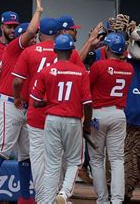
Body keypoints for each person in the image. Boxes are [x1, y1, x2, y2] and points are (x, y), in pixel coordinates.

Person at [0, 0, 43, 204]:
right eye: (28, 37)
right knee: (4, 148)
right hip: (8, 104)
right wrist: (39, 12)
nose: (32, 40)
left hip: (24, 106)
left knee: (26, 154)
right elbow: (31, 31)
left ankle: (25, 197)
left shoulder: (35, 54)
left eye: (33, 38)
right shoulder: (14, 48)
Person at [12, 17, 81, 202]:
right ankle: (60, 194)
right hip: (63, 112)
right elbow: (82, 80)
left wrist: (17, 97)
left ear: (39, 33)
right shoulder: (70, 54)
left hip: (37, 113)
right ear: (59, 32)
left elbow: (17, 81)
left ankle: (44, 199)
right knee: (59, 159)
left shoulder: (29, 52)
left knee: (38, 159)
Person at [31, 34, 93, 204]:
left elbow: (35, 103)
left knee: (51, 165)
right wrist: (87, 124)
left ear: (55, 50)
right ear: (72, 50)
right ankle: (64, 193)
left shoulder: (46, 71)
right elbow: (87, 103)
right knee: (75, 161)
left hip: (51, 118)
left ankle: (46, 201)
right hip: (72, 120)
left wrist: (49, 100)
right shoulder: (81, 72)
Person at [88, 33, 133, 204]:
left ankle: (103, 200)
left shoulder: (99, 66)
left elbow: (86, 87)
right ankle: (117, 200)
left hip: (98, 114)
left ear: (107, 48)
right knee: (117, 159)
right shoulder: (129, 68)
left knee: (97, 160)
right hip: (118, 114)